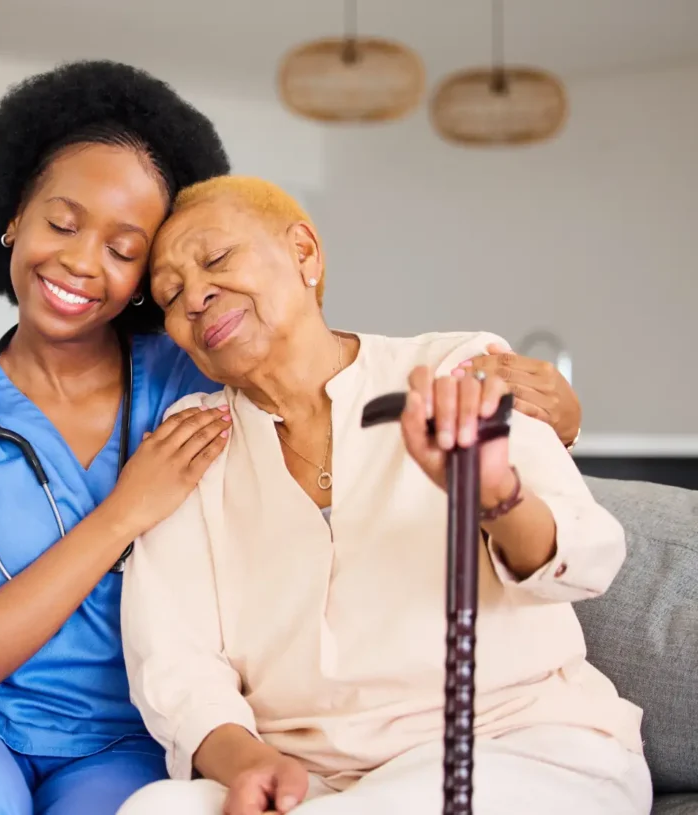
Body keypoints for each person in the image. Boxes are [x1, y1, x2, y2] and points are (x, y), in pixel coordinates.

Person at [0, 59, 584, 814]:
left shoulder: (194, 375)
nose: (83, 262)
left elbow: (326, 380)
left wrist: (547, 406)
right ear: (13, 215)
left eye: (124, 251)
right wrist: (123, 511)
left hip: (128, 744)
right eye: (61, 222)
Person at [117, 176, 650, 815]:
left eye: (217, 260)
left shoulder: (458, 371)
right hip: (317, 781)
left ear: (304, 254)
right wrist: (249, 762)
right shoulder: (191, 443)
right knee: (156, 808)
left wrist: (490, 492)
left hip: (518, 747)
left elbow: (588, 560)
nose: (196, 297)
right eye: (170, 296)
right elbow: (177, 662)